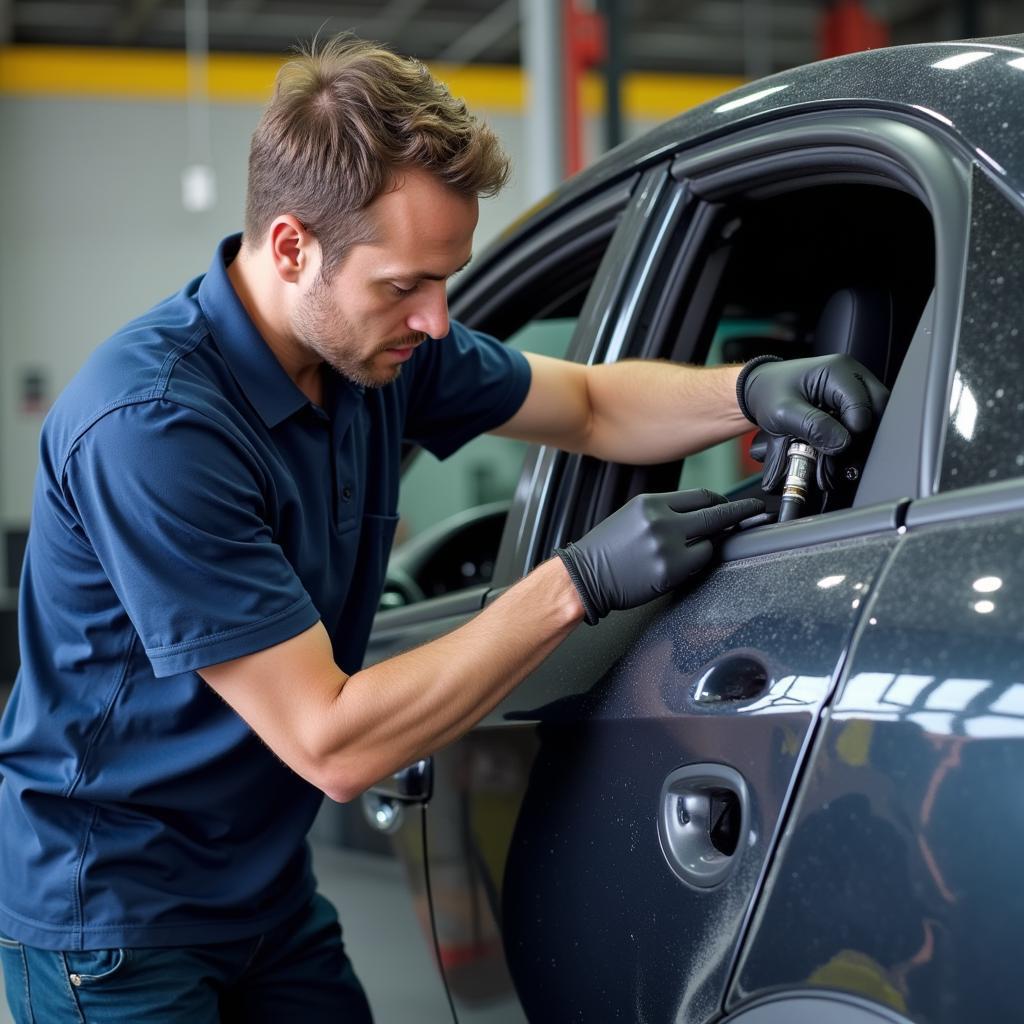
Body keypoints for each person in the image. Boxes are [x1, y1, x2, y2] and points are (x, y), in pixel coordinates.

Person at [0, 33, 888, 1023]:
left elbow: (591, 404)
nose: (436, 320)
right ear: (292, 246)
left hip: (262, 889)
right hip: (116, 919)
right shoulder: (155, 427)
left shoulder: (373, 350)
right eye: (404, 285)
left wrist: (753, 390)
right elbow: (332, 742)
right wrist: (575, 583)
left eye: (447, 279)